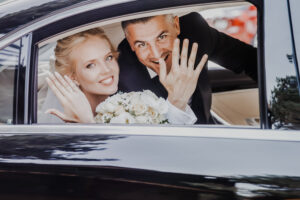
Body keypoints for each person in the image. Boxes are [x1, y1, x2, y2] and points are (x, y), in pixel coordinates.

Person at [41, 27, 208, 124]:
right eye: (90, 65)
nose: (107, 70)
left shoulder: (131, 103)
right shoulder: (64, 122)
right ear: (72, 77)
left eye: (108, 58)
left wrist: (177, 101)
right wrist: (87, 126)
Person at [118, 12, 258, 124]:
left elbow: (251, 60)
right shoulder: (124, 79)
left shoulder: (195, 32)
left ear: (176, 26)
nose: (156, 54)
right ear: (130, 44)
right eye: (141, 44)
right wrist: (176, 101)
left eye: (162, 37)